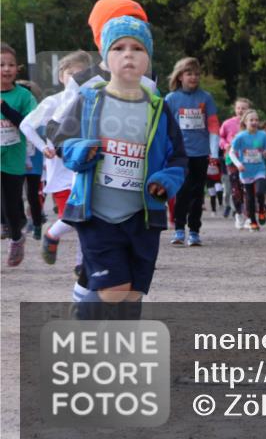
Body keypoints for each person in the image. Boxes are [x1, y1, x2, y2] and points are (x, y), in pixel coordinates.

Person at [52, 16, 186, 319]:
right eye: (119, 48)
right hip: (97, 212)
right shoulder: (89, 100)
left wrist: (165, 180)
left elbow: (177, 157)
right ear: (105, 58)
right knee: (115, 290)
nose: (128, 54)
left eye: (137, 48)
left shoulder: (158, 107)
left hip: (142, 216)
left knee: (132, 294)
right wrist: (80, 151)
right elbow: (62, 141)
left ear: (148, 58)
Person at [19, 50, 93, 264]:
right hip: (61, 171)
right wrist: (43, 147)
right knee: (72, 218)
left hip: (85, 168)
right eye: (71, 73)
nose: (76, 78)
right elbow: (26, 125)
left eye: (82, 74)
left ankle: (81, 264)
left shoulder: (93, 101)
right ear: (61, 76)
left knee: (86, 219)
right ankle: (52, 234)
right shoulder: (54, 102)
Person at [165, 57, 220, 247]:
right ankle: (179, 229)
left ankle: (195, 230)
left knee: (198, 193)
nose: (194, 77)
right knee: (182, 190)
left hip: (201, 153)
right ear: (180, 76)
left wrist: (214, 152)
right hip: (180, 153)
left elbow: (213, 126)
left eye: (197, 74)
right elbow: (164, 127)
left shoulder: (206, 98)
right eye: (189, 74)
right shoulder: (171, 99)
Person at [1, 42, 37, 266]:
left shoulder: (23, 96)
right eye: (1, 64)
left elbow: (28, 124)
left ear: (17, 68)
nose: (6, 69)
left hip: (13, 159)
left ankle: (16, 236)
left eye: (11, 64)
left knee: (12, 206)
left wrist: (5, 108)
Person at [228, 109, 266, 232]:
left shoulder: (262, 135)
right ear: (245, 122)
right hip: (246, 170)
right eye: (251, 120)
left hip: (259, 169)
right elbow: (231, 152)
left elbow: (264, 149)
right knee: (250, 197)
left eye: (256, 120)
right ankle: (253, 221)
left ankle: (262, 210)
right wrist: (238, 164)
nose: (254, 122)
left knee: (259, 192)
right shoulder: (240, 136)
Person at [18, 80, 45, 240]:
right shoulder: (12, 111)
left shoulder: (39, 112)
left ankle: (36, 224)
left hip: (34, 160)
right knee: (15, 194)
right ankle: (19, 223)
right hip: (17, 158)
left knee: (32, 195)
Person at [220, 97, 251, 226]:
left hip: (248, 160)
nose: (240, 110)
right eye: (238, 108)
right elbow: (220, 137)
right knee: (235, 187)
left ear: (248, 110)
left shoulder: (252, 123)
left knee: (248, 188)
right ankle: (238, 214)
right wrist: (225, 145)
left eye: (243, 108)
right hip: (231, 159)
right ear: (235, 109)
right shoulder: (227, 123)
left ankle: (249, 216)